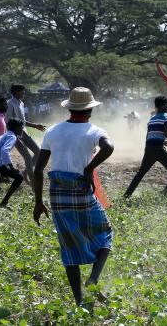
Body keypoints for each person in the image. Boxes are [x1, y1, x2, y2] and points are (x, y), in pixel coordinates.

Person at [33, 87, 114, 306]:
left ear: (70, 109)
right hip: (80, 190)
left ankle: (79, 301)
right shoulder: (94, 130)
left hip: (57, 194)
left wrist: (39, 201)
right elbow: (109, 147)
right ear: (90, 109)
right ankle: (94, 279)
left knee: (68, 245)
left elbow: (38, 169)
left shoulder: (52, 131)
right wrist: (90, 168)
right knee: (104, 232)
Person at [124, 96, 167, 200]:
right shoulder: (166, 117)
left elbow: (150, 136)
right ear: (161, 106)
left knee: (140, 173)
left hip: (149, 148)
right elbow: (166, 133)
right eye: (166, 105)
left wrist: (163, 142)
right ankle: (166, 193)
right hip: (158, 149)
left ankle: (127, 195)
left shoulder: (152, 119)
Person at [7, 84, 46, 183]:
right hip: (16, 135)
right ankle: (32, 182)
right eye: (22, 91)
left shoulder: (21, 103)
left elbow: (22, 121)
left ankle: (25, 173)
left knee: (38, 151)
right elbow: (8, 122)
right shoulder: (10, 104)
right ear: (15, 92)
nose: (23, 93)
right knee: (28, 157)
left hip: (24, 132)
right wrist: (15, 137)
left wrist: (35, 126)